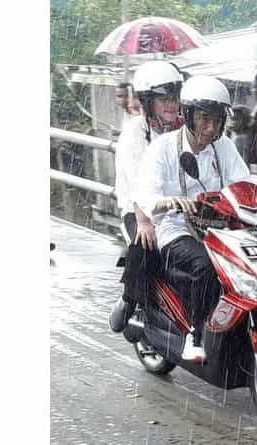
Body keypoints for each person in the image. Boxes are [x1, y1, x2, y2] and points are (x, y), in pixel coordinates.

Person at [137, 75, 251, 362]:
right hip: (174, 229)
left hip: (218, 228)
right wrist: (168, 201)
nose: (210, 128)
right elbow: (146, 194)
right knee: (206, 266)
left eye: (217, 120)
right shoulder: (162, 148)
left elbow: (243, 182)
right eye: (203, 118)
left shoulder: (223, 146)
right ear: (187, 115)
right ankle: (195, 334)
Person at [109, 61, 184, 333]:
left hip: (178, 208)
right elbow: (137, 183)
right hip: (138, 210)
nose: (171, 105)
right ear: (148, 101)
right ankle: (130, 297)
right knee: (147, 246)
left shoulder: (183, 129)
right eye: (164, 99)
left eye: (174, 98)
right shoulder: (135, 132)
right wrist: (144, 221)